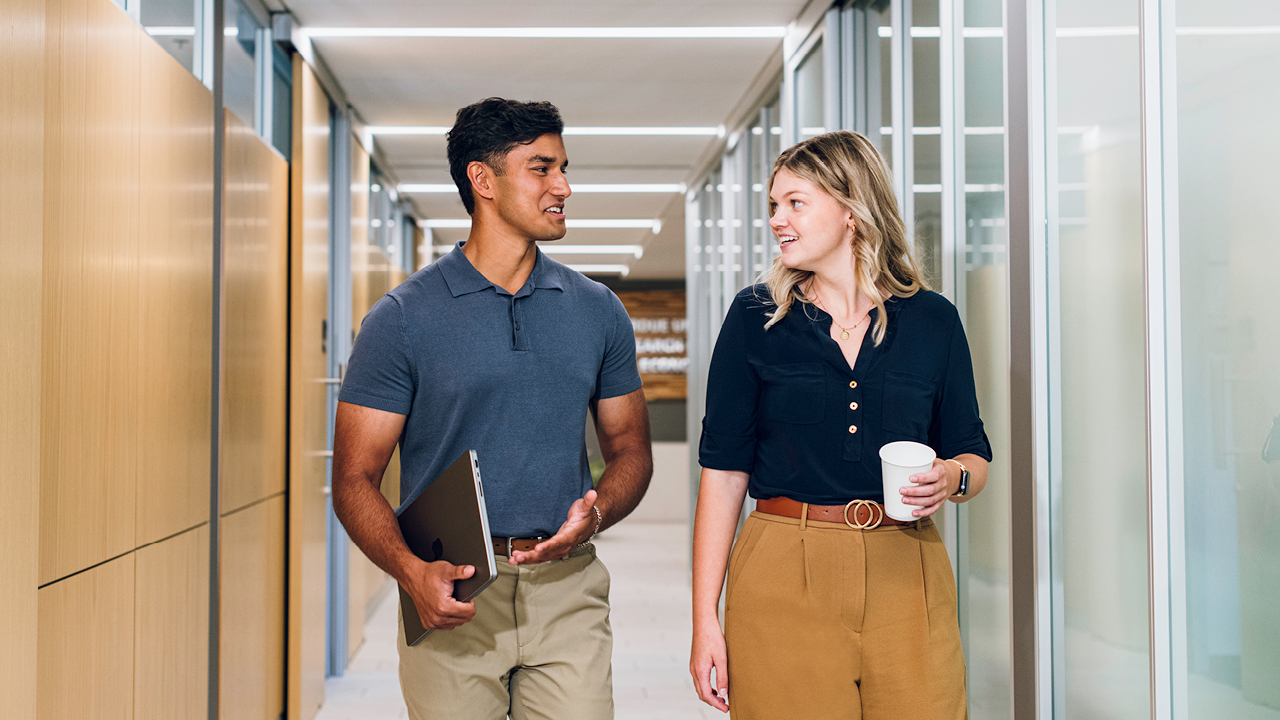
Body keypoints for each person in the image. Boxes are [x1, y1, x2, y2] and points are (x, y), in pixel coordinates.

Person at [332, 97, 653, 720]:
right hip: (450, 587)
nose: (563, 186)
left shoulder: (597, 310)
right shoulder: (401, 320)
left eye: (563, 167)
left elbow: (630, 450)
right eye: (542, 168)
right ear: (483, 180)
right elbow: (353, 478)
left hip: (568, 588)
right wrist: (408, 571)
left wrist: (598, 511)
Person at [688, 130, 992, 719]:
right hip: (782, 567)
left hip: (907, 567)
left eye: (795, 203)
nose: (777, 219)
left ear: (851, 209)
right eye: (773, 205)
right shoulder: (755, 318)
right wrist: (706, 621)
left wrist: (951, 477)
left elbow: (973, 455)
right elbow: (723, 475)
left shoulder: (933, 320)